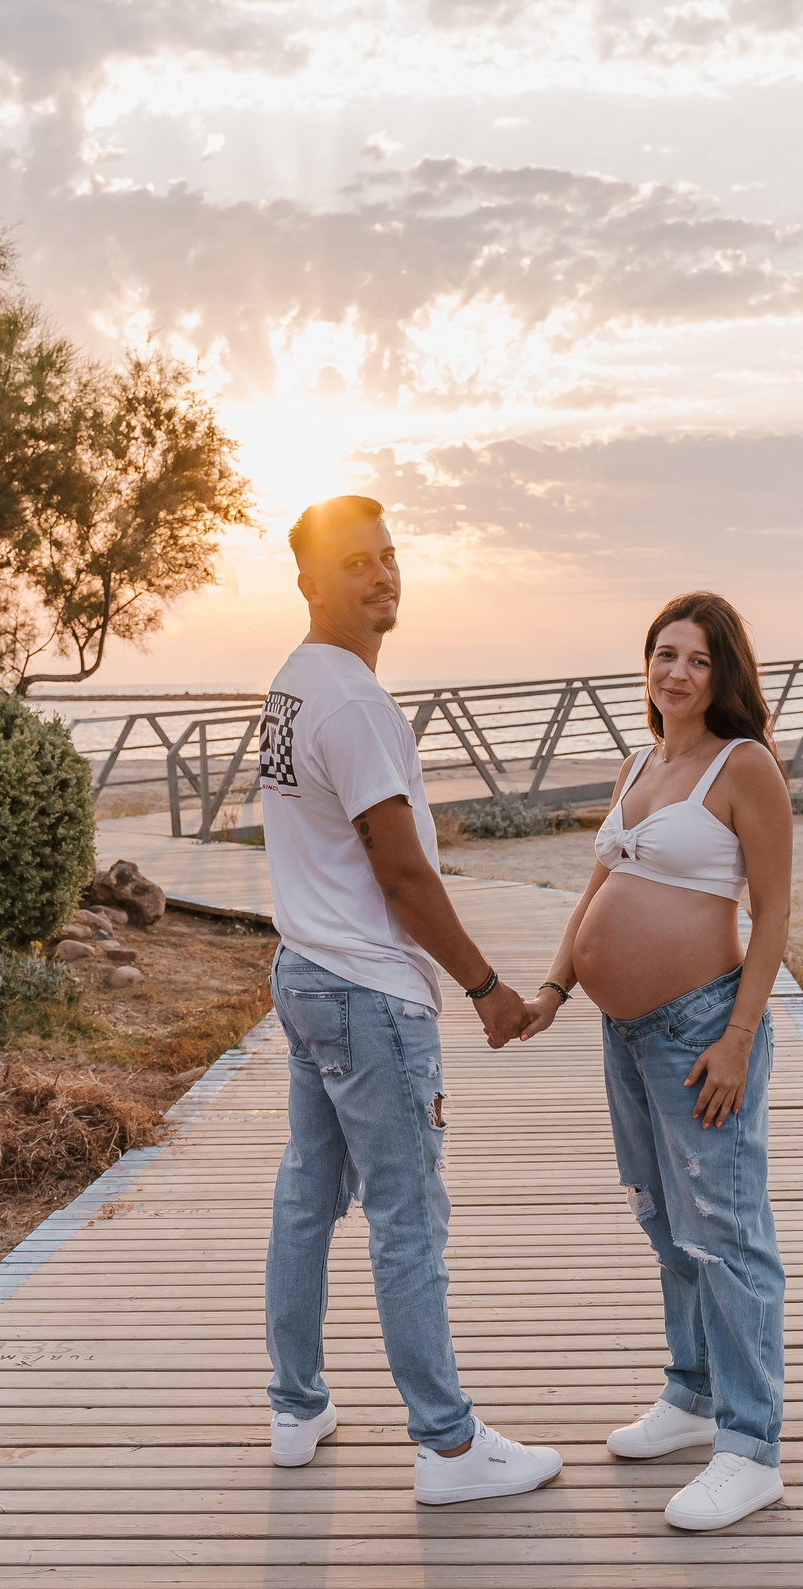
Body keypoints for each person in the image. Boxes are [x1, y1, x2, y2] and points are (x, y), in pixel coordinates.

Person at [256, 493, 564, 1506]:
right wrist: (484, 986)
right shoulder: (351, 702)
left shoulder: (293, 687)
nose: (382, 575)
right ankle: (446, 1446)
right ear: (308, 580)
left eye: (389, 557)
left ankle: (296, 1408)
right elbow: (403, 876)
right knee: (407, 1219)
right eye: (356, 563)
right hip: (366, 992)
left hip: (304, 973)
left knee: (308, 1198)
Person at [518, 592, 794, 1531]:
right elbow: (603, 880)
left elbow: (775, 915)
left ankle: (752, 1447)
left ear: (725, 675)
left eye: (699, 660)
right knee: (664, 1219)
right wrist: (556, 985)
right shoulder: (642, 762)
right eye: (664, 654)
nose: (677, 672)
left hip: (701, 1027)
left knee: (725, 1227)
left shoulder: (742, 765)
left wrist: (737, 1039)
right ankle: (693, 1394)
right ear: (646, 665)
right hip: (626, 1032)